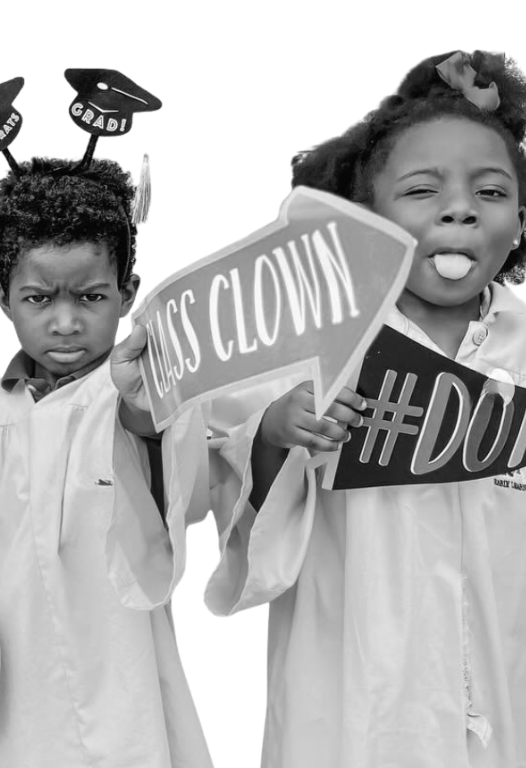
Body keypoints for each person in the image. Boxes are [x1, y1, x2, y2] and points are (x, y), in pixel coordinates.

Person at [205, 49, 526, 768]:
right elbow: (234, 505)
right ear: (367, 219)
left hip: (507, 699)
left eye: (490, 190)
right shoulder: (308, 343)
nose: (460, 208)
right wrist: (276, 432)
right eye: (422, 190)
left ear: (520, 221)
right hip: (355, 709)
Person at [0, 154, 214, 767]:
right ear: (2, 299)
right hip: (12, 676)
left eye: (91, 297)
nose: (66, 322)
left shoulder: (137, 396)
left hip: (122, 667)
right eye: (39, 298)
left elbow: (185, 498)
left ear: (127, 295)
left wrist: (144, 408)